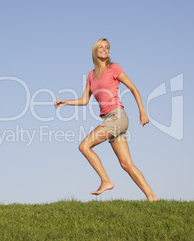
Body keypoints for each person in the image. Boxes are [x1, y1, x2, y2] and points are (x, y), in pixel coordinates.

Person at [54, 38, 159, 202]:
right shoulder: (91, 75)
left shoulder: (113, 68)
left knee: (84, 146)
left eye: (107, 47)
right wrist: (65, 102)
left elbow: (133, 88)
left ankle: (106, 181)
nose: (105, 49)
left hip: (117, 117)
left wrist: (142, 112)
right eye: (101, 47)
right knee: (126, 164)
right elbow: (84, 100)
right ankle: (152, 197)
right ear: (95, 51)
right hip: (111, 119)